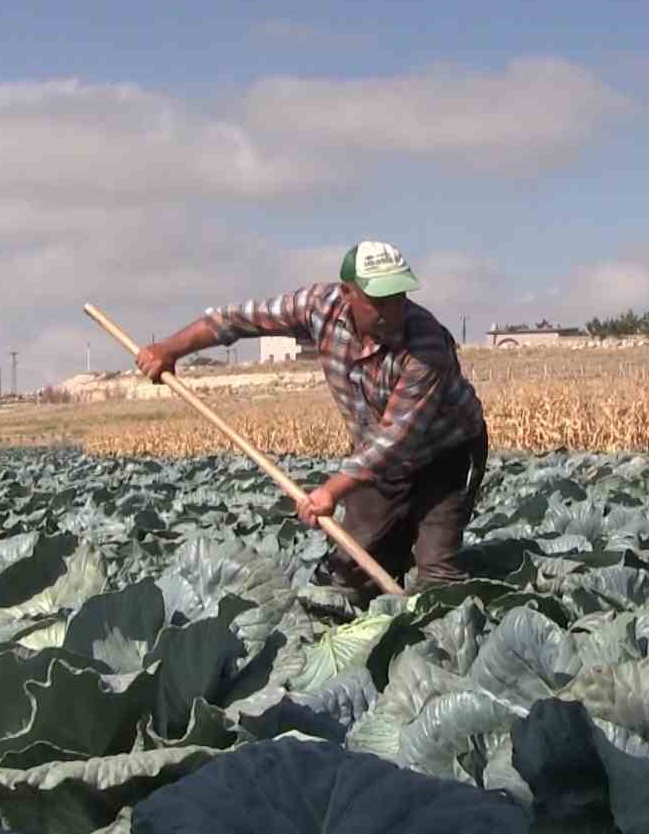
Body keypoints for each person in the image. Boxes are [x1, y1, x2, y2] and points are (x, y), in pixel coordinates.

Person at [134, 240, 489, 604]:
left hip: (447, 454)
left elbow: (394, 441)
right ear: (347, 293)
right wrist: (170, 349)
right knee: (350, 579)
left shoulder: (425, 346)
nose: (392, 310)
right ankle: (392, 555)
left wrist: (330, 492)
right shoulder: (318, 307)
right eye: (378, 300)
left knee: (436, 576)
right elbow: (233, 320)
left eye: (398, 296)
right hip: (376, 457)